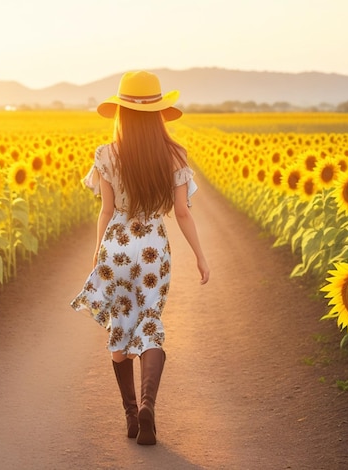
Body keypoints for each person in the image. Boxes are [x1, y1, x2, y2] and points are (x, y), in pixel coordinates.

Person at [70, 70, 209, 446]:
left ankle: (131, 415)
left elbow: (105, 210)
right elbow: (182, 213)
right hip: (152, 247)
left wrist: (98, 254)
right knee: (150, 320)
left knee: (120, 326)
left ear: (121, 112)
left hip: (117, 243)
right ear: (159, 113)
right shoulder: (174, 154)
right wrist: (200, 255)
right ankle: (148, 404)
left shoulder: (105, 154)